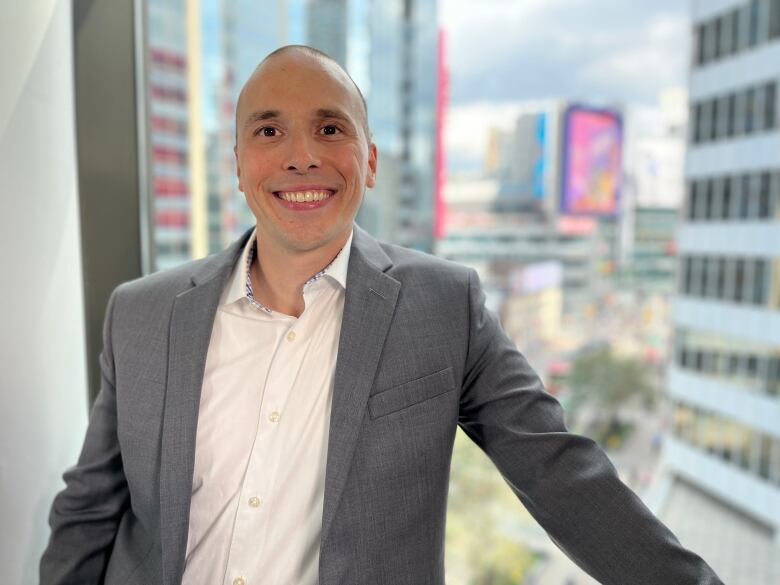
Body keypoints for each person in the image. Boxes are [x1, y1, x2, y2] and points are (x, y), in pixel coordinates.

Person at [40, 45, 723, 585]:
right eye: (270, 129)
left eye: (329, 127)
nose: (302, 154)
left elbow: (564, 476)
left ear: (367, 161)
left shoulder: (444, 306)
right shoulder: (140, 313)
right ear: (240, 164)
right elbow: (89, 510)